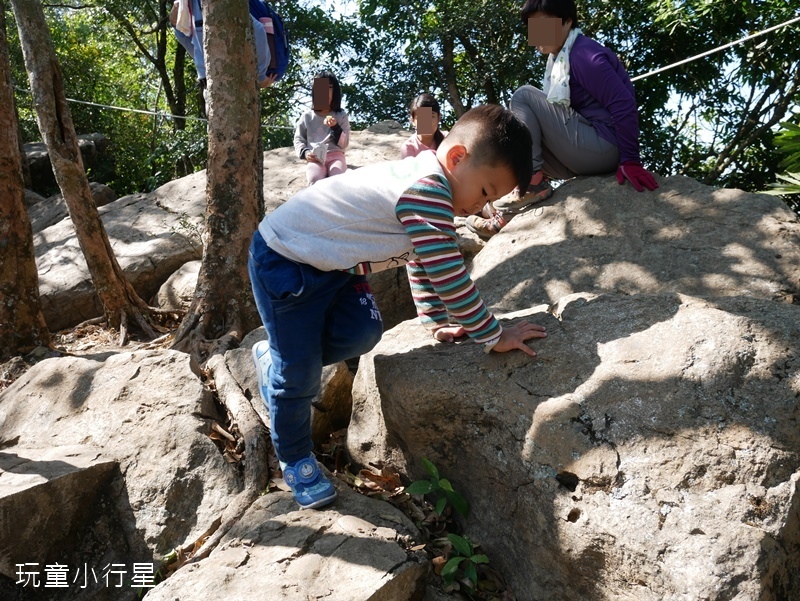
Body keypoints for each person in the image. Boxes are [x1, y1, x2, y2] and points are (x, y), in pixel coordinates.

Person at [249, 105, 548, 509]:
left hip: (336, 266)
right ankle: (295, 455)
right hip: (287, 260)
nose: (479, 207)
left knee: (363, 333)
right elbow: (449, 276)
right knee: (299, 373)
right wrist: (493, 334)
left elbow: (419, 258)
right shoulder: (426, 188)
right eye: (484, 192)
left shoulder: (432, 185)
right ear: (457, 157)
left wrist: (434, 321)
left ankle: (280, 357)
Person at [466, 0, 658, 239]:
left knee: (523, 96)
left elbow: (623, 103)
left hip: (605, 146)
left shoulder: (584, 55)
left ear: (567, 22)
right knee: (514, 145)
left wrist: (631, 160)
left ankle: (534, 182)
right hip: (584, 150)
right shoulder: (559, 60)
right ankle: (499, 218)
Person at [170, 0, 277, 91]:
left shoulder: (187, 4)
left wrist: (202, 61)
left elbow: (183, 35)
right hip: (236, 72)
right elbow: (258, 31)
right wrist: (260, 75)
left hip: (209, 76)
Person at [294, 71, 350, 185]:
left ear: (335, 92)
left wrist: (335, 127)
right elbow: (299, 139)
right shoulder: (307, 116)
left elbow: (344, 144)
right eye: (321, 87)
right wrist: (305, 153)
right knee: (314, 179)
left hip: (336, 156)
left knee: (337, 179)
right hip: (315, 158)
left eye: (329, 87)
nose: (325, 91)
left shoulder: (341, 115)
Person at [400, 93, 446, 158]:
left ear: (439, 118)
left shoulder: (448, 139)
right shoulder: (409, 147)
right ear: (412, 120)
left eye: (431, 116)